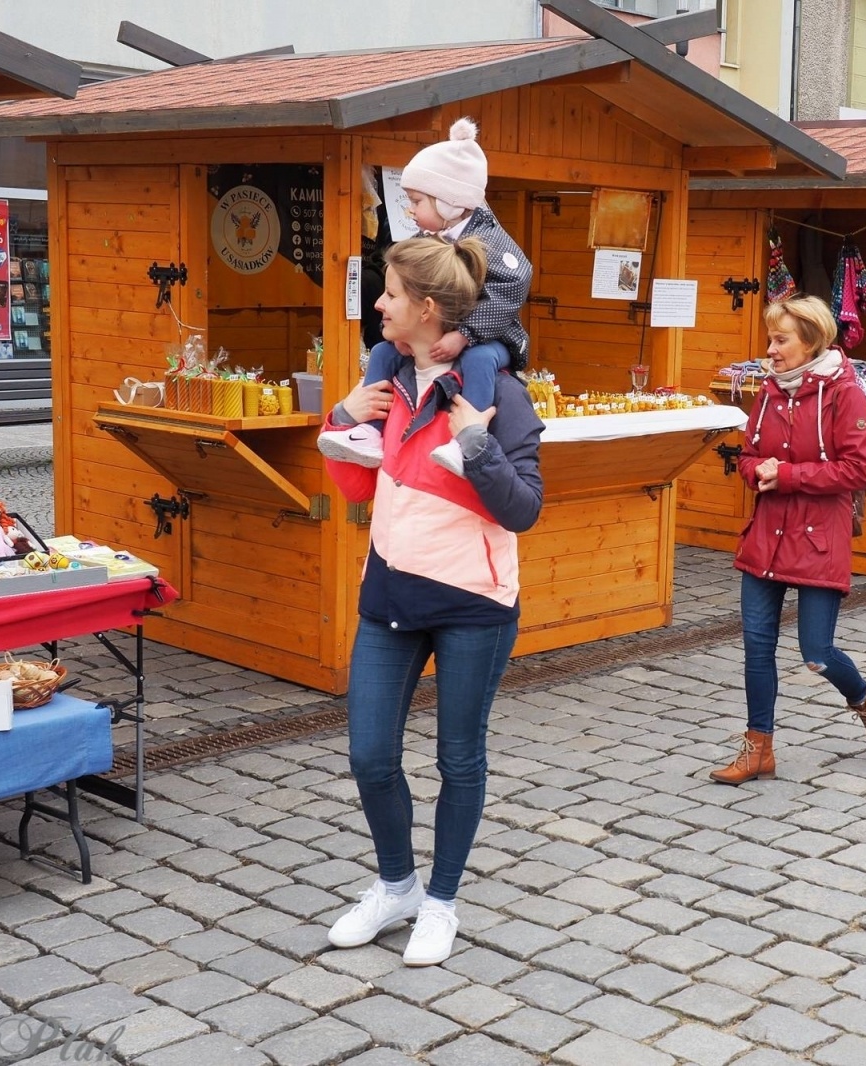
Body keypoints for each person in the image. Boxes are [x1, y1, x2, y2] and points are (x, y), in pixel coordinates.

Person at [322, 236, 543, 966]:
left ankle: (441, 903)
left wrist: (477, 444)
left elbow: (523, 511)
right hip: (389, 590)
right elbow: (357, 488)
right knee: (368, 755)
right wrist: (340, 420)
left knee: (459, 758)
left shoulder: (499, 392)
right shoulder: (386, 383)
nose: (377, 305)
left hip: (472, 603)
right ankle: (397, 888)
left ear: (423, 306)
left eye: (387, 293)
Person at [711, 294, 866, 785]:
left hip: (818, 540)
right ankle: (758, 751)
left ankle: (864, 700)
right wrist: (758, 471)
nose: (770, 349)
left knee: (816, 653)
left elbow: (859, 468)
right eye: (770, 338)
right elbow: (747, 455)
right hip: (766, 537)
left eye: (780, 339)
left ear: (810, 342)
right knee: (756, 647)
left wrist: (786, 475)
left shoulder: (845, 393)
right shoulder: (769, 391)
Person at [318, 117, 532, 478]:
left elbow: (515, 284)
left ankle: (466, 437)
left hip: (491, 338)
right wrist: (405, 334)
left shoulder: (491, 240)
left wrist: (464, 333)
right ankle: (369, 430)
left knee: (479, 359)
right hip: (439, 338)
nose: (409, 209)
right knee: (383, 350)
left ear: (449, 203)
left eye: (416, 200)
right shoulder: (428, 239)